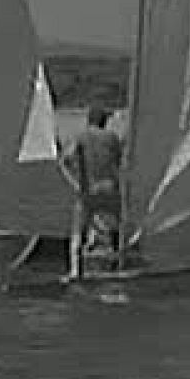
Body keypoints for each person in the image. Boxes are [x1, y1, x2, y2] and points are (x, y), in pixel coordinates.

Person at [63, 104, 124, 278]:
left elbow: (67, 159)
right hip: (110, 189)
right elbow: (119, 162)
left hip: (89, 191)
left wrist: (76, 180)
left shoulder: (81, 137)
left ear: (89, 120)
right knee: (116, 230)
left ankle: (76, 272)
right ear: (104, 121)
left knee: (78, 233)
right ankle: (117, 266)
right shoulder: (112, 138)